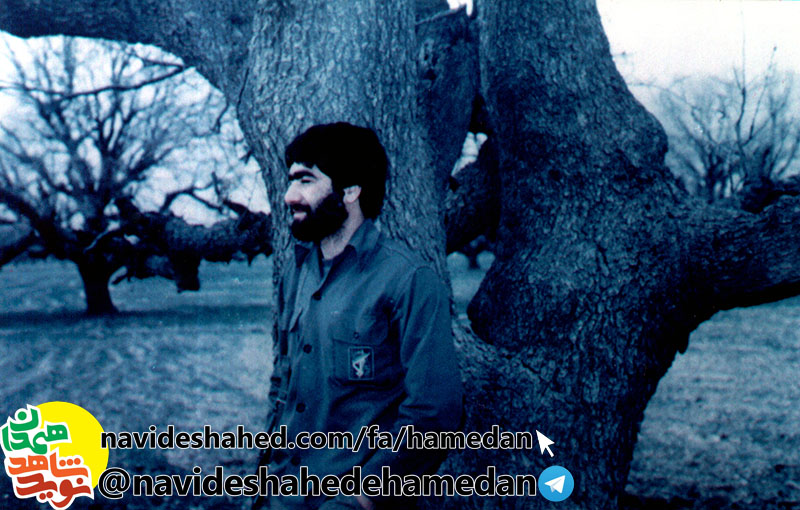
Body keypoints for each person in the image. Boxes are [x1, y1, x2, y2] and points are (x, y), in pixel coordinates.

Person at [257, 122, 462, 510]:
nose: (288, 196)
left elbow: (434, 413)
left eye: (305, 181)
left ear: (350, 191)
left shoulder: (408, 280)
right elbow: (282, 384)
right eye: (291, 181)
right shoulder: (295, 274)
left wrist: (364, 497)